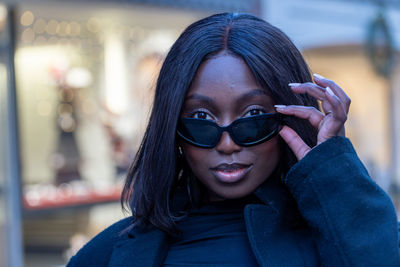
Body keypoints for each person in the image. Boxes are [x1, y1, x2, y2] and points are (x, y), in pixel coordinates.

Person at [67, 13, 400, 266]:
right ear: (172, 127)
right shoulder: (110, 252)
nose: (227, 144)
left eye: (253, 116)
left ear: (291, 116)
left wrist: (333, 169)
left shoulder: (338, 234)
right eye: (201, 118)